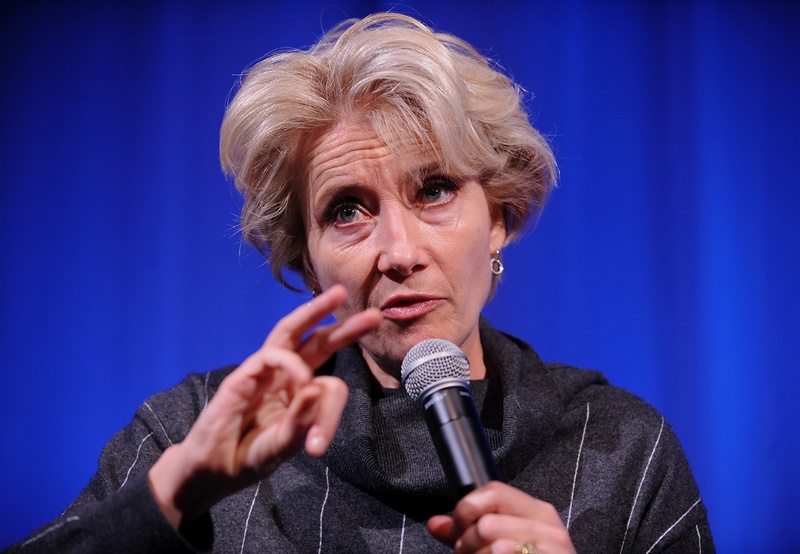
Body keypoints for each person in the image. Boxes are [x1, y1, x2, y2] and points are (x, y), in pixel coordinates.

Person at [6, 13, 714, 553]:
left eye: (434, 190)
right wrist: (174, 492)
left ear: (499, 216)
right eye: (347, 210)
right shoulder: (192, 433)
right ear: (308, 260)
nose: (399, 252)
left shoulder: (620, 449)